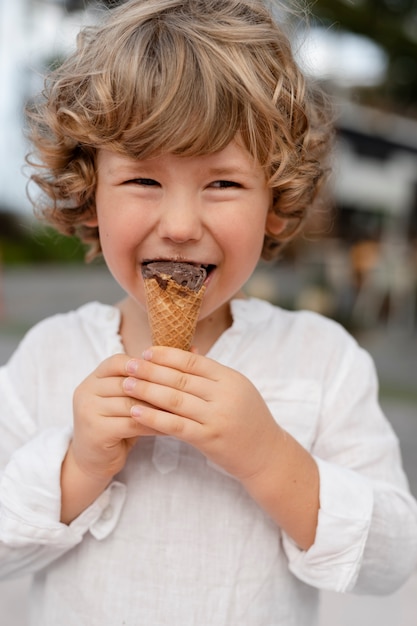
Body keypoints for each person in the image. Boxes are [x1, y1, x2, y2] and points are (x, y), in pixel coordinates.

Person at [1, 1, 417, 624]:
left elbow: (390, 562)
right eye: (143, 181)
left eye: (222, 183)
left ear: (275, 203)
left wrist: (270, 456)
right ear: (91, 197)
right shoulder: (48, 355)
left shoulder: (323, 360)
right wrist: (78, 464)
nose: (179, 226)